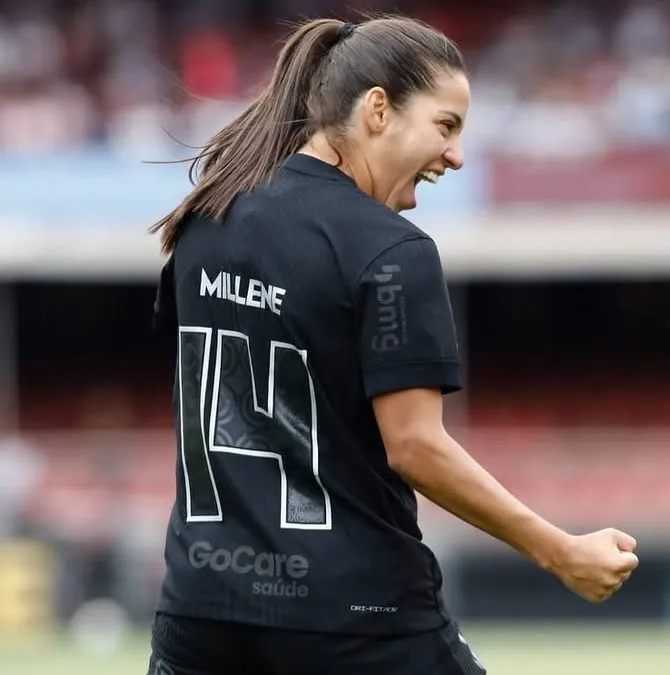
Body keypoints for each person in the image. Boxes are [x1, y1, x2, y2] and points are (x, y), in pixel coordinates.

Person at [145, 16, 639, 675]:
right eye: (446, 125)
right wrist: (560, 550)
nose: (456, 155)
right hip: (355, 616)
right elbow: (415, 445)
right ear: (378, 109)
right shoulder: (389, 249)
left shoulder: (207, 218)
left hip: (199, 613)